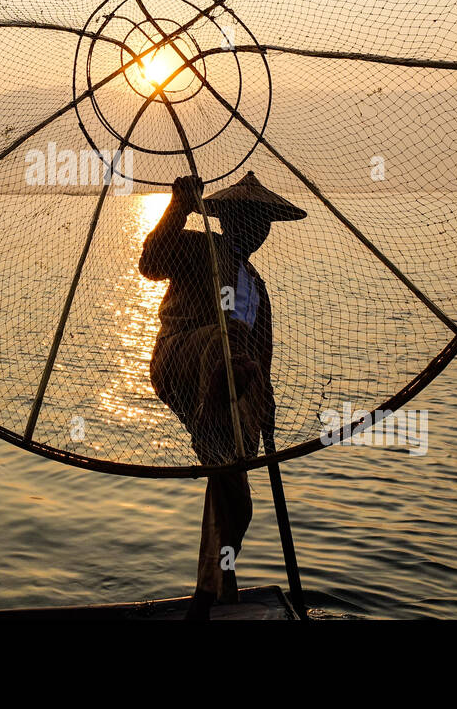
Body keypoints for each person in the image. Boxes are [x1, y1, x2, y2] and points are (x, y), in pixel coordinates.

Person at [139, 170, 306, 619]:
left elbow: (262, 356)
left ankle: (214, 590)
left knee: (234, 492)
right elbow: (151, 262)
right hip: (184, 359)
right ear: (228, 218)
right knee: (226, 340)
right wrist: (179, 205)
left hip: (233, 391)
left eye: (264, 220)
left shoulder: (257, 286)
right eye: (249, 216)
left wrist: (263, 409)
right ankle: (211, 592)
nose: (259, 229)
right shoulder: (200, 248)